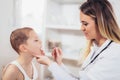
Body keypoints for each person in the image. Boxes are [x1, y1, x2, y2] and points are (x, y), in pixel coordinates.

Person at [36, 0, 120, 80]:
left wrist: (50, 64)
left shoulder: (114, 53)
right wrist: (59, 64)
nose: (81, 28)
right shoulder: (96, 48)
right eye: (81, 23)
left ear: (101, 23)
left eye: (85, 24)